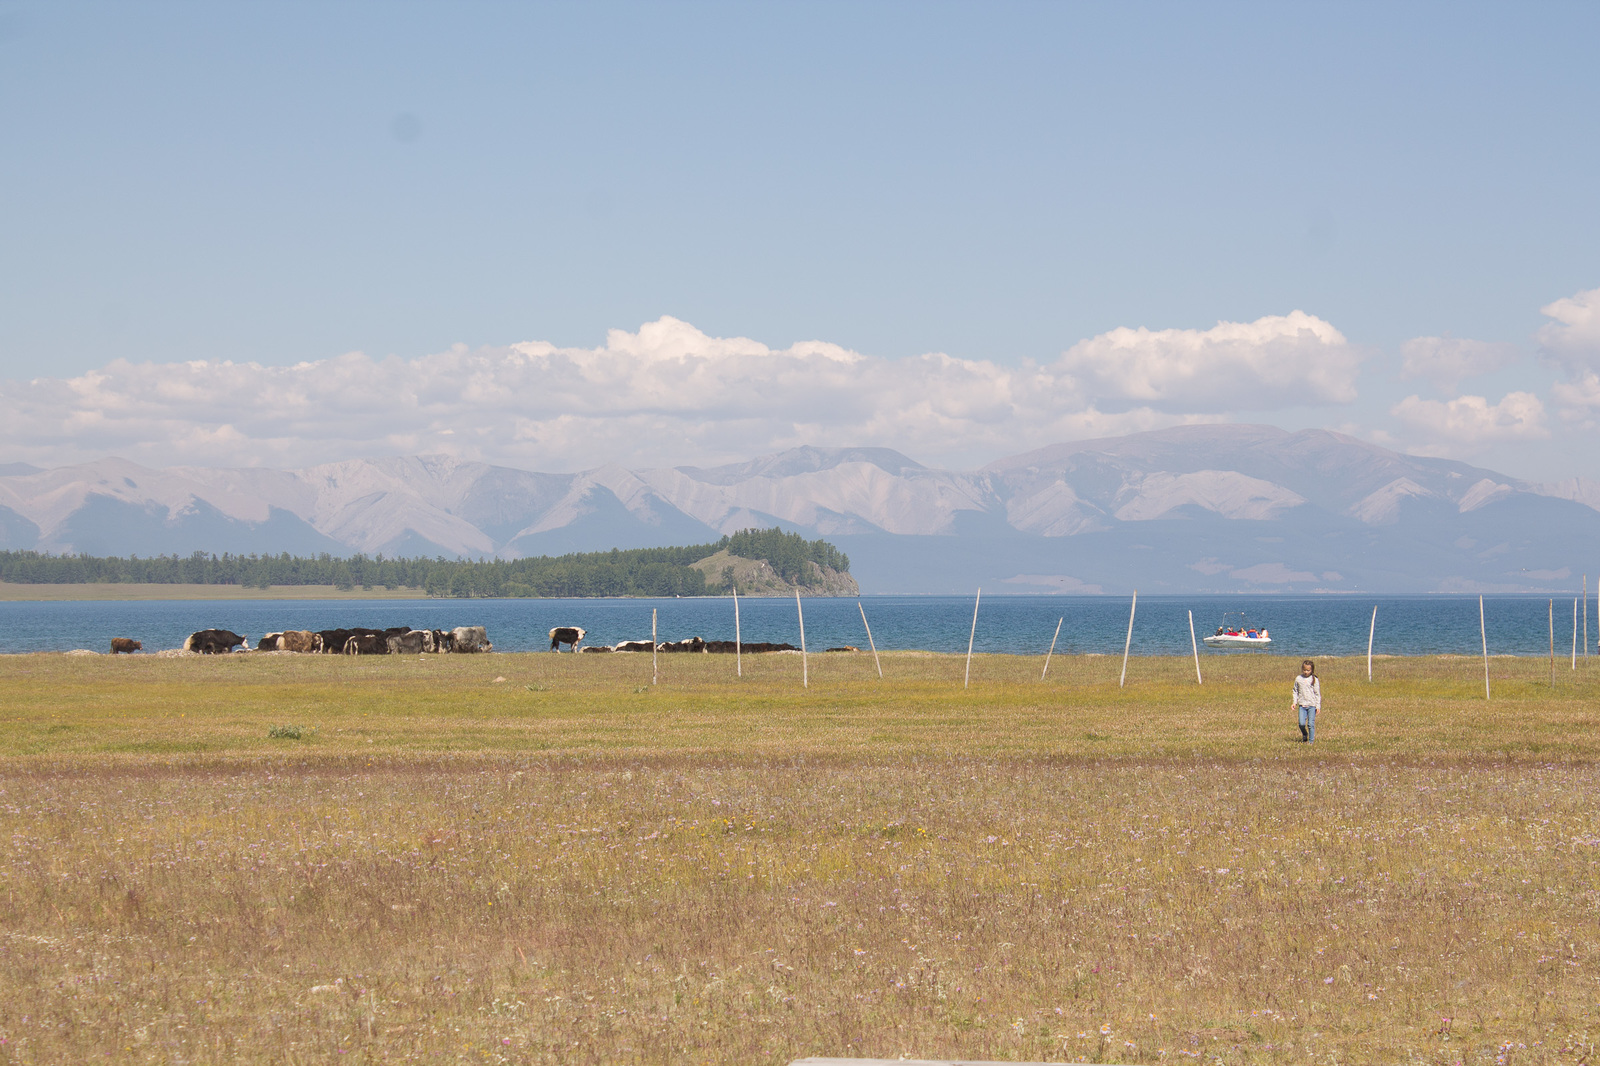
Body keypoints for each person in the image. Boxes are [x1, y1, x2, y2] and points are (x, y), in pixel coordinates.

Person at [1292, 659, 1321, 743]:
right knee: (1301, 723)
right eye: (1304, 670)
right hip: (1302, 705)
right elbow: (1295, 691)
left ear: (1311, 670)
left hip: (1312, 705)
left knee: (1310, 724)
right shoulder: (1298, 679)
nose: (1306, 672)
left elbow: (1317, 694)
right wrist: (1294, 702)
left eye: (1308, 670)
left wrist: (1318, 706)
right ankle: (1305, 734)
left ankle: (1311, 742)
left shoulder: (1314, 679)